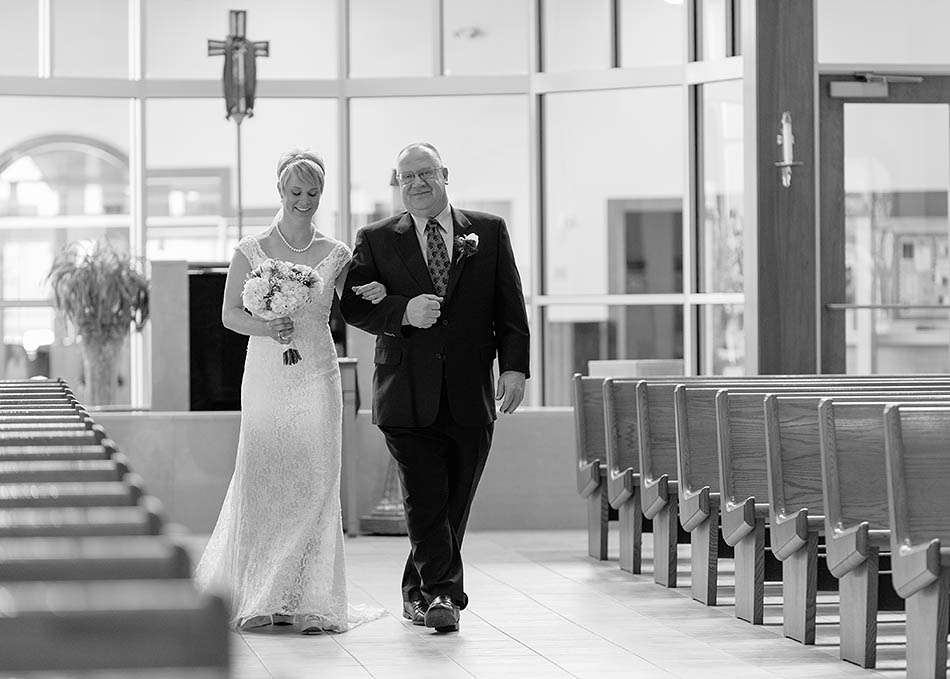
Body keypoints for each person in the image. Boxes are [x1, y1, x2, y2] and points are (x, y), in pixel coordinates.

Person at [340, 142, 530, 633]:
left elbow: (510, 307)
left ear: (445, 174)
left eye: (425, 174)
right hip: (405, 392)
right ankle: (445, 595)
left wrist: (515, 368)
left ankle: (416, 593)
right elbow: (354, 308)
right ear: (397, 186)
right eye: (406, 178)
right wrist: (403, 310)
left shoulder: (487, 232)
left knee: (453, 503)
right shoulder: (376, 239)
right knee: (425, 498)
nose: (417, 184)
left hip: (471, 392)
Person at [195, 148, 384, 633]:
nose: (304, 201)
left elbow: (357, 305)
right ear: (280, 191)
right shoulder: (251, 250)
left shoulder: (336, 252)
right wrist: (266, 325)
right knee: (264, 477)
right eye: (296, 192)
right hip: (267, 374)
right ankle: (263, 594)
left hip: (317, 372)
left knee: (318, 479)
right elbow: (229, 314)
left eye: (313, 193)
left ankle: (314, 600)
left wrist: (381, 293)